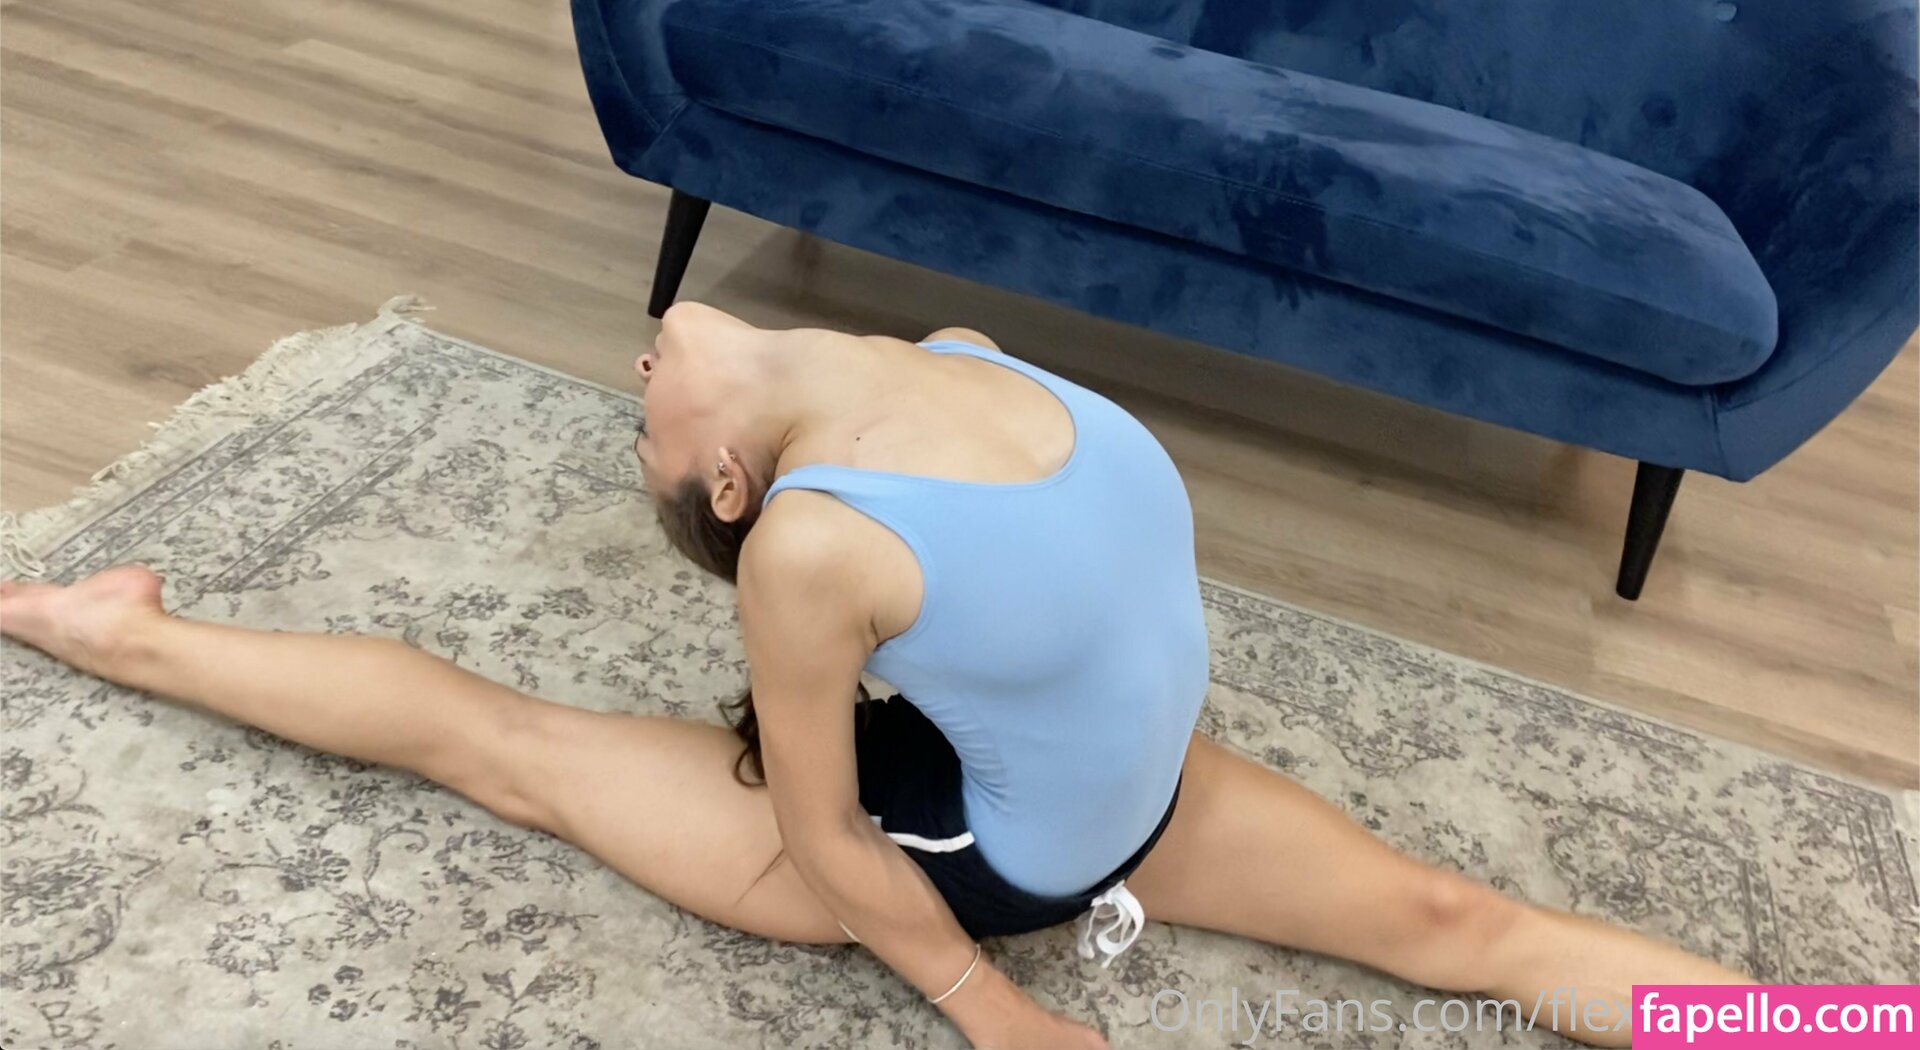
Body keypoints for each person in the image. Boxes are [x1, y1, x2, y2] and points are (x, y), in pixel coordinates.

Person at [0, 302, 1747, 1049]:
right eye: (648, 430)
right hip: (968, 849)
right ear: (732, 487)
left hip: (1127, 795)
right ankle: (113, 626)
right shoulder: (807, 544)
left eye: (634, 417)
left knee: (1455, 919)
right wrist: (998, 1010)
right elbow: (829, 835)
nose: (637, 381)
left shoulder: (953, 355)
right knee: (503, 740)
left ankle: (1846, 1026)